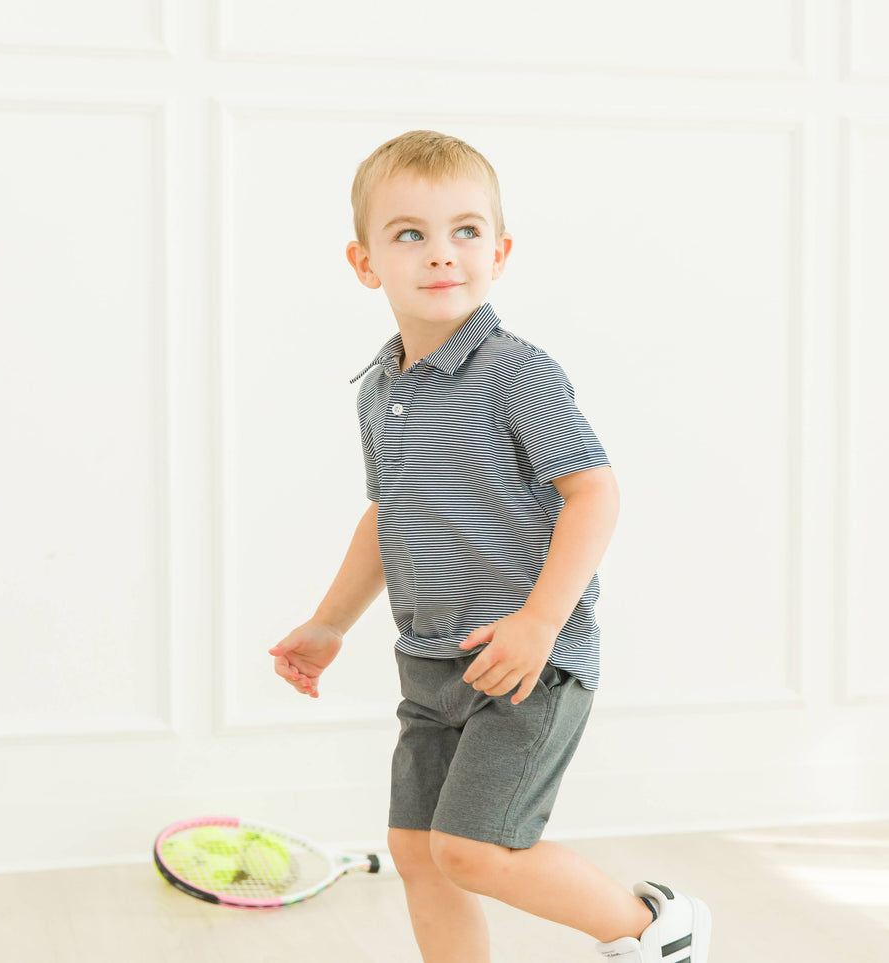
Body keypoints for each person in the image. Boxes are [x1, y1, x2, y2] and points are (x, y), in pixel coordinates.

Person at [267, 129, 712, 962]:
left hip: (528, 662)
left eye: (464, 231)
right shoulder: (380, 389)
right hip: (430, 661)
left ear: (498, 251)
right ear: (365, 262)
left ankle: (657, 926)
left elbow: (594, 490)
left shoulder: (516, 373)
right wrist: (329, 622)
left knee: (474, 850)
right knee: (418, 854)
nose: (442, 255)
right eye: (411, 234)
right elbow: (385, 513)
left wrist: (540, 620)